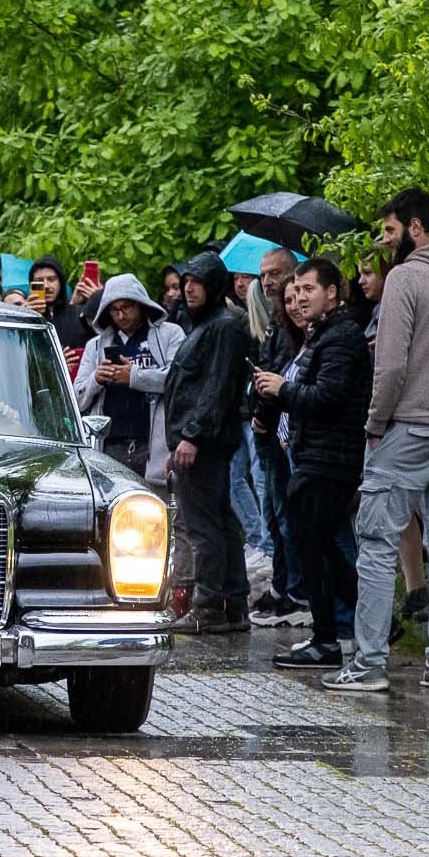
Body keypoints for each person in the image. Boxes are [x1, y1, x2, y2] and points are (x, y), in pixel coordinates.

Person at [323, 188, 429, 693]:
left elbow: (391, 365)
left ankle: (370, 663)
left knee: (376, 541)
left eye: (390, 231)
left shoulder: (404, 278)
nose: (384, 241)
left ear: (415, 229)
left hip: (408, 428)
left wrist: (376, 424)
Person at [259, 259, 372, 669]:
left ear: (332, 293)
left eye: (309, 289)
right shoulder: (323, 334)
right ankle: (364, 618)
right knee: (317, 545)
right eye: (298, 290)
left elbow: (329, 397)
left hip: (329, 458)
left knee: (318, 547)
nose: (301, 298)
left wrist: (282, 388)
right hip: (314, 455)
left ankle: (331, 635)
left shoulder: (340, 337)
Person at [163, 252, 252, 634]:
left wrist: (191, 436)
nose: (189, 288)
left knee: (205, 526)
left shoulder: (223, 326)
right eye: (186, 281)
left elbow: (215, 388)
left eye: (197, 281)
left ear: (215, 284)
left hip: (204, 442)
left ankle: (211, 604)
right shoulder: (209, 325)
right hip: (201, 440)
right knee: (219, 521)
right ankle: (231, 604)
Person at [73, 275, 182, 486]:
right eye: (114, 309)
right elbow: (77, 399)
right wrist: (97, 378)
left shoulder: (170, 334)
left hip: (154, 446)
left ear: (141, 304)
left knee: (159, 513)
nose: (121, 315)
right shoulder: (95, 345)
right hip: (110, 445)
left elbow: (179, 380)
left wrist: (134, 376)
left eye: (126, 307)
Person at [245, 249, 302, 626]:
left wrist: (263, 415)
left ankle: (296, 591)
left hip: (282, 433)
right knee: (274, 513)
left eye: (275, 274)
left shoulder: (290, 328)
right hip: (268, 431)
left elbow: (280, 377)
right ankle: (284, 586)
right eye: (263, 275)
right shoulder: (273, 322)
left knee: (286, 515)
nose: (267, 281)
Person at [30, 256, 92, 356]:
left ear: (61, 282)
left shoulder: (80, 314)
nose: (46, 286)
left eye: (51, 279)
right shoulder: (28, 318)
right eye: (39, 280)